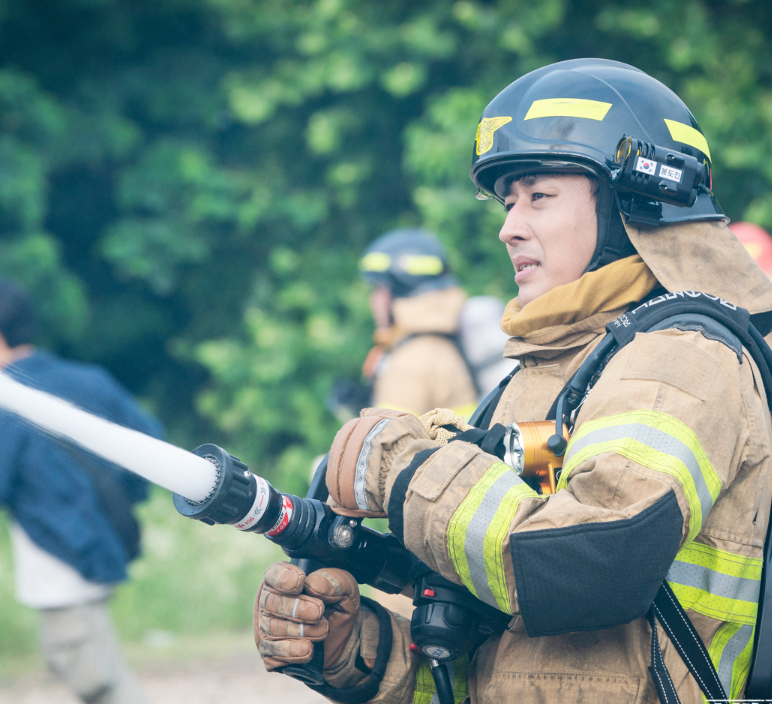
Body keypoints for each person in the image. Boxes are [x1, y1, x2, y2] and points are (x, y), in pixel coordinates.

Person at [253, 59, 772, 703]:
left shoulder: (683, 360)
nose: (509, 226)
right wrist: (357, 651)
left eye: (539, 196)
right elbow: (505, 666)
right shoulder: (562, 369)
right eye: (507, 202)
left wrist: (409, 472)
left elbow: (586, 571)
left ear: (631, 202)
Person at [0, 280, 162, 704]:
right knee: (83, 666)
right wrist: (116, 503)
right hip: (100, 544)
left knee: (97, 682)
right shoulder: (87, 379)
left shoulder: (6, 399)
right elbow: (152, 445)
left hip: (59, 565)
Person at [357, 229, 480, 420]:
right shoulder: (443, 343)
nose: (373, 301)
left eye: (378, 289)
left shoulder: (410, 363)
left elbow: (388, 445)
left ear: (397, 292)